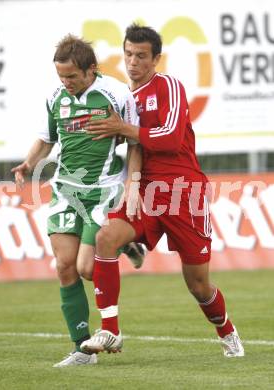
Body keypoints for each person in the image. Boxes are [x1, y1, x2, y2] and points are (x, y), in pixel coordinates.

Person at [80, 24, 244, 358]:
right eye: (127, 54)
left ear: (156, 59)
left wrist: (124, 128)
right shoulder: (125, 98)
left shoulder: (168, 86)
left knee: (198, 285)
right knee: (106, 237)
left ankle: (226, 332)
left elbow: (169, 138)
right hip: (148, 194)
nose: (132, 61)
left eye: (141, 55)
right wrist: (133, 183)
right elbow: (133, 147)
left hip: (185, 194)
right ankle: (110, 330)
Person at [11, 34, 145, 367]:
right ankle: (81, 349)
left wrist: (133, 183)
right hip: (65, 189)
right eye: (61, 77)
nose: (66, 83)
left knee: (88, 268)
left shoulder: (116, 93)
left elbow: (135, 142)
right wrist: (28, 163)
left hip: (103, 188)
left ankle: (120, 245)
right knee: (64, 266)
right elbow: (46, 139)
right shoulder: (55, 96)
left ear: (90, 70)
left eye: (72, 76)